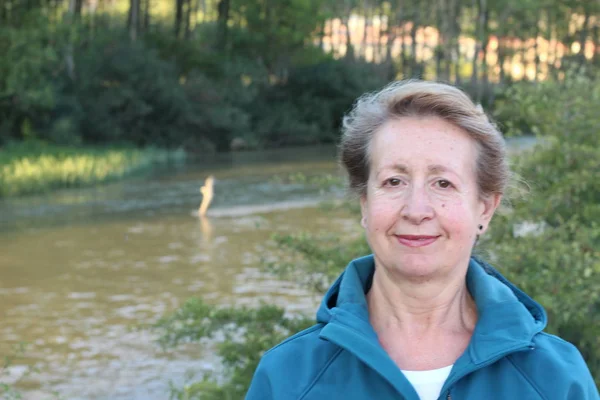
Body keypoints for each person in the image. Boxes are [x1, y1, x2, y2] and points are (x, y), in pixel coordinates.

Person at [245, 80, 599, 400]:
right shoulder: (288, 379)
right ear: (365, 204)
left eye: (443, 183)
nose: (416, 210)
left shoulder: (556, 378)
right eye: (394, 182)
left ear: (485, 209)